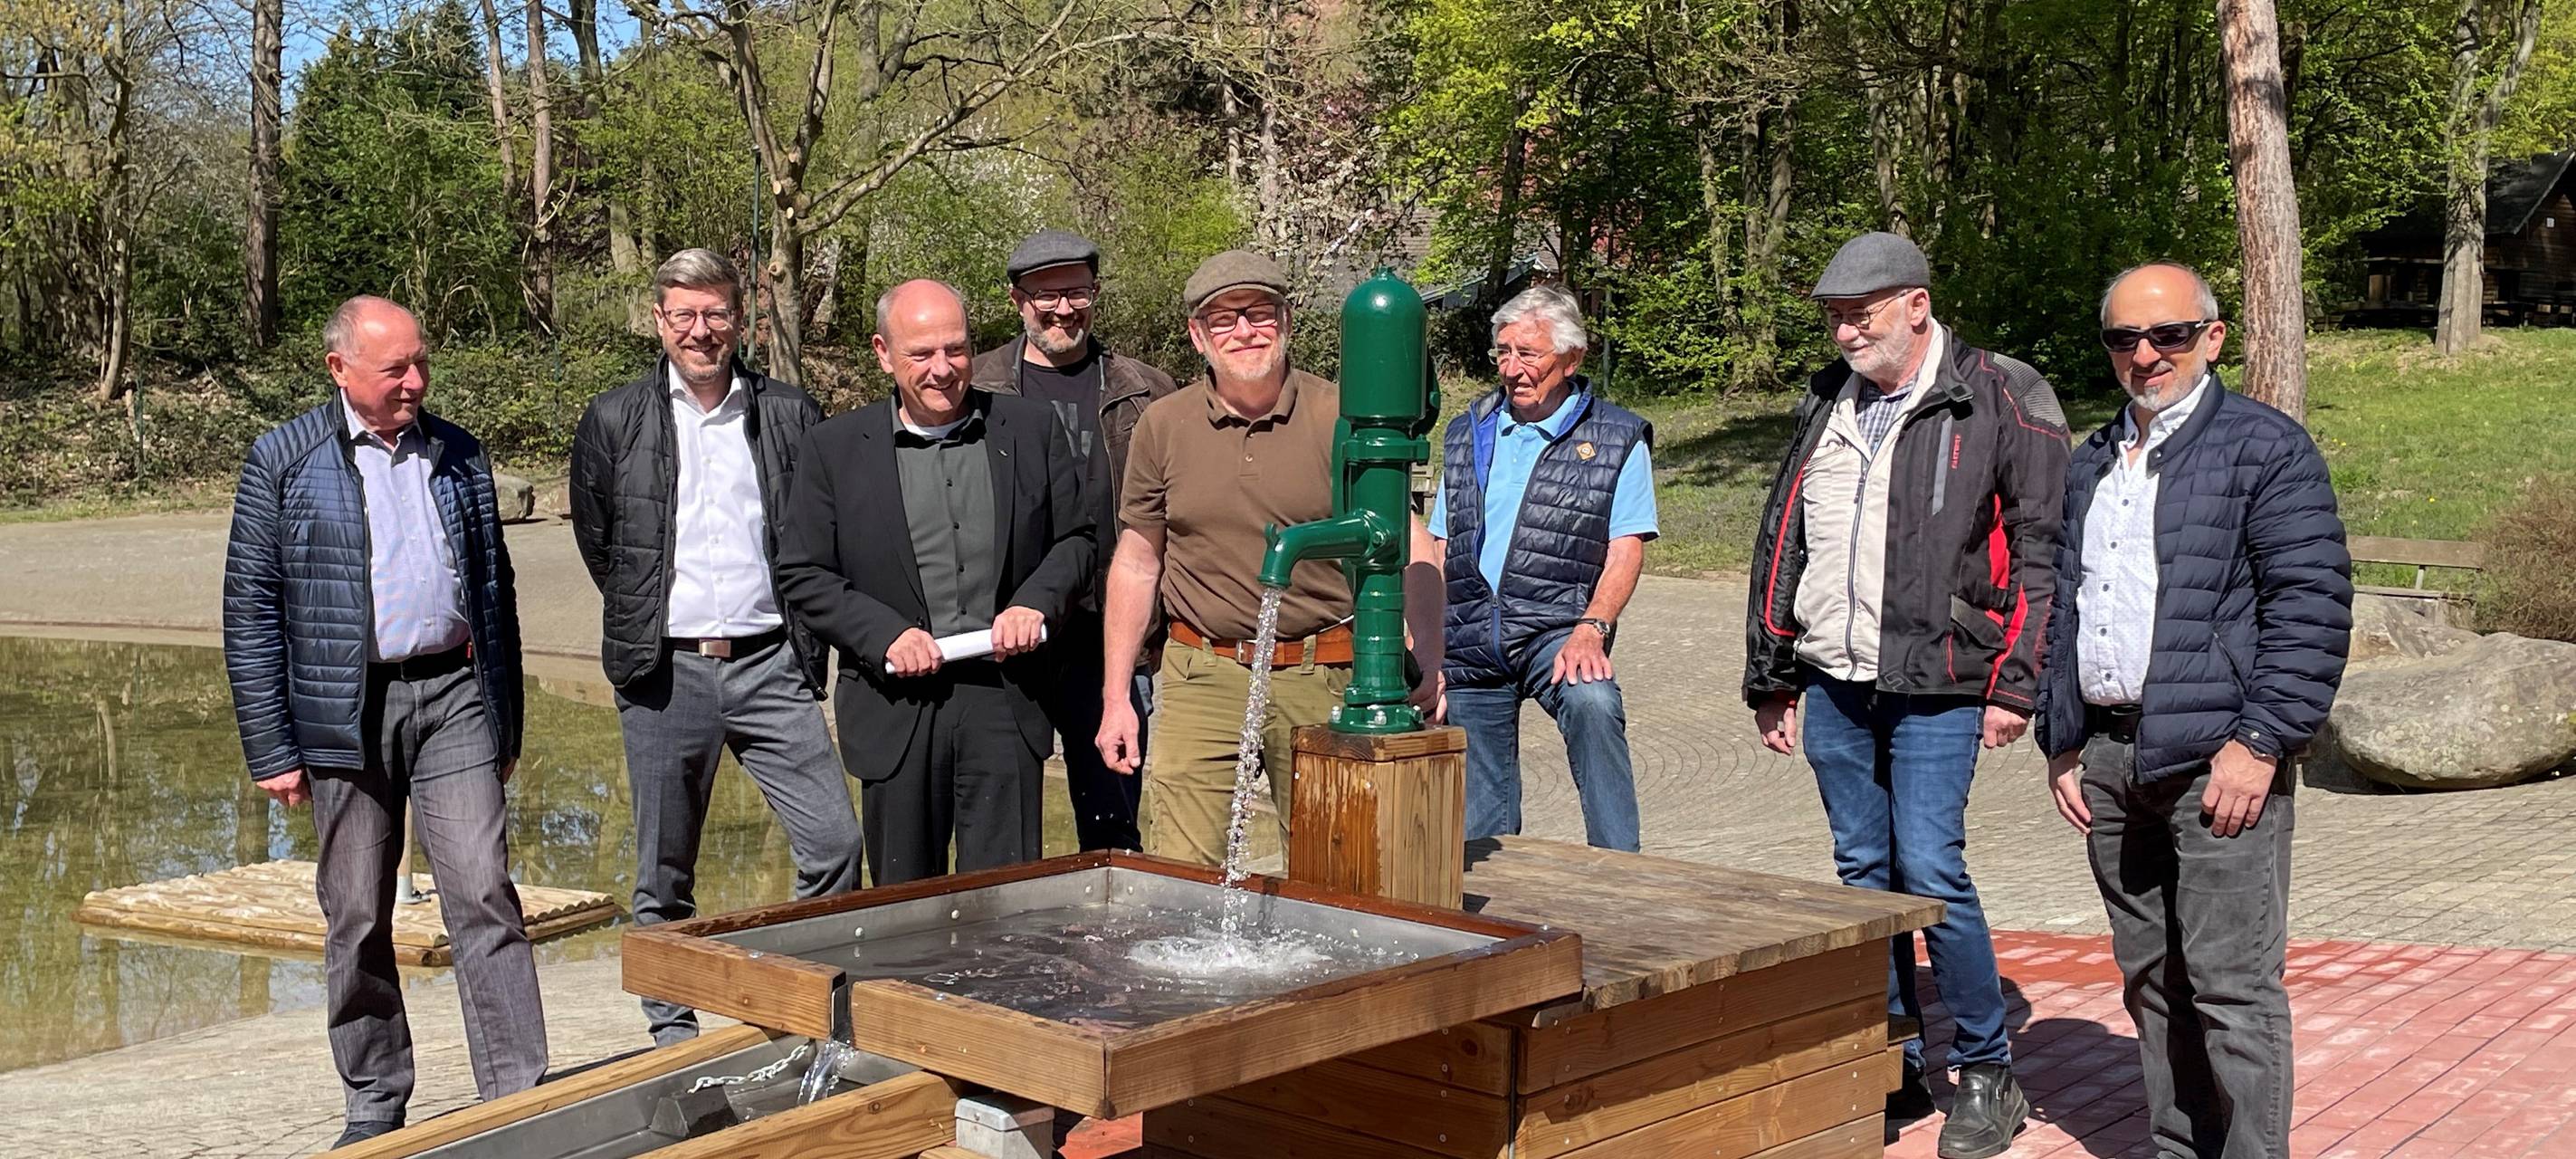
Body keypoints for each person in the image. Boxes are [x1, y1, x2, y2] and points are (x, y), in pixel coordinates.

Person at [1741, 231, 2066, 1158]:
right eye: (1835, 319)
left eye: (1861, 315)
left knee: (1929, 869)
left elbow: (2044, 553)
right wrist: (1771, 672)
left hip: (1944, 682)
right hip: (1834, 680)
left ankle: (1987, 1069)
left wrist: (2017, 684)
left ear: (1916, 305)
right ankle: (1893, 1057)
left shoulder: (2002, 394)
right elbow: (1783, 538)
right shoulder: (1826, 400)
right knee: (1861, 874)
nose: (1846, 334)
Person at [2038, 263, 2352, 1158]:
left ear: (2211, 338)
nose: (2145, 355)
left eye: (2167, 334)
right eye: (2123, 339)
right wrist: (2061, 739)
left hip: (2219, 763)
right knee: (2151, 981)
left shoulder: (2265, 448)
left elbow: (2311, 606)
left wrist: (2261, 741)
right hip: (2110, 760)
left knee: (2231, 987)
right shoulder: (2093, 460)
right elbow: (2064, 602)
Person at [222, 296, 545, 1145]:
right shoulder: (283, 459)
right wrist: (272, 746)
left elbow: (495, 590)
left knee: (483, 890)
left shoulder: (458, 452)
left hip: (455, 699)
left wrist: (506, 721)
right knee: (358, 912)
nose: (415, 381)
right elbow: (250, 609)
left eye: (420, 362)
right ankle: (374, 1103)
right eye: (395, 368)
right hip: (344, 711)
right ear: (339, 369)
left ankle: (518, 1099)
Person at [568, 247, 864, 1046]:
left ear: (742, 319)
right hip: (666, 673)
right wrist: (648, 619)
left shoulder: (790, 414)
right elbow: (603, 544)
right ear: (658, 320)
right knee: (664, 874)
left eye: (716, 314)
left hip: (771, 663)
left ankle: (794, 1004)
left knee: (836, 844)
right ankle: (672, 1031)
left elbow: (820, 532)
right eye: (684, 315)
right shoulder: (613, 419)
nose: (701, 330)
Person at [1095, 249, 1440, 867]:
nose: (1244, 331)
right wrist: (1117, 695)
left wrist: (1430, 660)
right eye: (1223, 319)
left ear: (1286, 321)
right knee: (1181, 874)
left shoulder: (1341, 415)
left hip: (1322, 671)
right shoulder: (1163, 425)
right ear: (1197, 335)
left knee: (1330, 867)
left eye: (1259, 313)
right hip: (1203, 672)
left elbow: (1410, 543)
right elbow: (1138, 562)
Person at [777, 280, 1094, 886]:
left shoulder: (1031, 429)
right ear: (883, 353)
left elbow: (1077, 540)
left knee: (1004, 903)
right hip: (897, 705)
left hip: (1006, 699)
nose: (942, 369)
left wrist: (1035, 603)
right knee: (903, 907)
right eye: (921, 354)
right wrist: (884, 634)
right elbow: (803, 571)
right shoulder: (834, 449)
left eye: (956, 349)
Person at [1428, 283, 1656, 851]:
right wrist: (1430, 647)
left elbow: (1626, 546)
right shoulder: (1466, 432)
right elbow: (1439, 544)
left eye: (1528, 354)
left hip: (1556, 627)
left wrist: (1593, 628)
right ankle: (1492, 898)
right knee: (1479, 832)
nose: (1512, 369)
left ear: (1571, 359)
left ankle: (1620, 869)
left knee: (1593, 701)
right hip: (1471, 633)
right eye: (1503, 352)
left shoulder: (1618, 436)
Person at [970, 229, 1178, 851]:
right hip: (1006, 643)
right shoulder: (977, 388)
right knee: (1001, 830)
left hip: (1110, 644)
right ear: (1018, 301)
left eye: (1077, 293)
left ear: (1096, 293)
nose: (1064, 309)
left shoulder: (1148, 392)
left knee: (1113, 829)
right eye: (1047, 296)